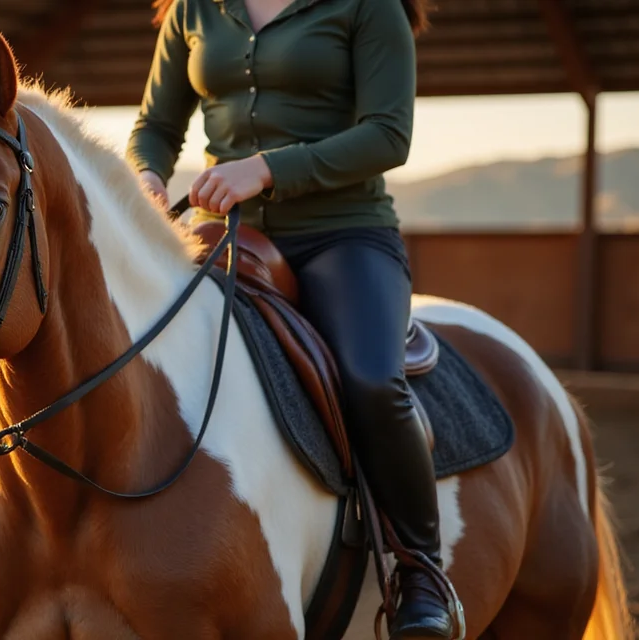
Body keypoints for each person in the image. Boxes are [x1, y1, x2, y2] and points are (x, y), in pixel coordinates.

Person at [126, 0, 458, 638]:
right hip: (223, 235)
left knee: (371, 379)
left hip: (343, 235)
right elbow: (156, 125)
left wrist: (267, 168)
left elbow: (389, 133)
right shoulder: (193, 9)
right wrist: (145, 175)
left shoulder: (369, 8)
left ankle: (421, 572)